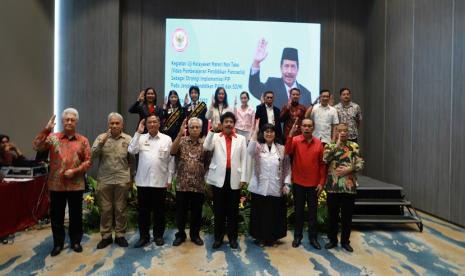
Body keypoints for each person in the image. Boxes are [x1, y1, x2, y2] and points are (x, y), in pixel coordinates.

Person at [32, 108, 91, 257]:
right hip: (56, 184)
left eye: (72, 119)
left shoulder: (83, 140)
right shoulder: (53, 138)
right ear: (63, 121)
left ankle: (76, 241)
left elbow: (88, 161)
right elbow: (36, 146)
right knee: (56, 216)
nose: (69, 122)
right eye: (67, 119)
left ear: (76, 122)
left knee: (76, 215)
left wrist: (75, 171)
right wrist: (46, 129)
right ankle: (58, 243)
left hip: (76, 184)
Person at [127, 114, 174, 247]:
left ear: (159, 124)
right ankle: (144, 237)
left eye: (155, 122)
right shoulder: (141, 138)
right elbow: (131, 150)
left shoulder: (167, 139)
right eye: (149, 122)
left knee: (159, 212)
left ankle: (158, 236)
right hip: (143, 182)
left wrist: (170, 179)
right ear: (146, 125)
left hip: (160, 182)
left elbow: (171, 161)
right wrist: (137, 132)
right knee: (143, 212)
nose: (152, 124)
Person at [203, 112, 247, 249]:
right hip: (218, 178)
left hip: (234, 177)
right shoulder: (215, 137)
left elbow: (244, 159)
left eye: (231, 122)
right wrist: (211, 131)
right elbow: (206, 147)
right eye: (226, 122)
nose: (229, 124)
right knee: (219, 210)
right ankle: (218, 238)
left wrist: (244, 177)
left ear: (234, 124)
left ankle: (233, 238)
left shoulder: (241, 139)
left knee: (233, 211)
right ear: (221, 124)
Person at [91, 112, 133, 249]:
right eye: (112, 123)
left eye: (117, 123)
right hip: (105, 179)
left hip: (122, 179)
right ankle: (106, 236)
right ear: (108, 124)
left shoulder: (128, 139)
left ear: (122, 125)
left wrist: (131, 177)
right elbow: (92, 155)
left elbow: (132, 161)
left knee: (121, 208)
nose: (114, 125)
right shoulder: (100, 138)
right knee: (106, 209)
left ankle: (120, 235)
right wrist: (102, 142)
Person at [247, 122, 291, 246]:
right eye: (266, 131)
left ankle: (272, 238)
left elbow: (287, 167)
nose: (269, 133)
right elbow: (249, 151)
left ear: (275, 133)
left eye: (271, 131)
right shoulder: (258, 147)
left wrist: (287, 184)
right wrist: (255, 131)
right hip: (259, 186)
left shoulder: (281, 148)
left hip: (276, 186)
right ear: (263, 133)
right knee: (260, 213)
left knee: (274, 213)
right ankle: (260, 238)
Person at [285, 118, 326, 249]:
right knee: (298, 212)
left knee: (313, 213)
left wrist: (321, 182)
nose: (307, 128)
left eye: (309, 126)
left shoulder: (319, 143)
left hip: (314, 184)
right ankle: (298, 237)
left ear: (313, 128)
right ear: (301, 127)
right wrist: (290, 135)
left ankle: (313, 238)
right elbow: (287, 152)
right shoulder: (296, 140)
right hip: (298, 182)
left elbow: (322, 165)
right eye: (304, 126)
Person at [323, 123, 364, 252]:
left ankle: (345, 241)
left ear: (348, 132)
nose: (343, 133)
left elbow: (361, 163)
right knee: (332, 216)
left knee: (347, 216)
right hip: (333, 187)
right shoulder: (330, 146)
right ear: (336, 132)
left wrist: (349, 169)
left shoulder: (354, 146)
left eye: (345, 130)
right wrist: (336, 145)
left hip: (348, 187)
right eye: (340, 130)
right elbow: (325, 159)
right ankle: (332, 240)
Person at [170, 118, 208, 246]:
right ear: (188, 128)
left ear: (201, 129)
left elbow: (207, 162)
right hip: (182, 184)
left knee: (196, 213)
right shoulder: (181, 141)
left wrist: (199, 171)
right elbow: (172, 151)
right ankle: (180, 235)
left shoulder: (205, 144)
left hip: (198, 185)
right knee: (181, 212)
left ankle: (195, 235)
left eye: (197, 127)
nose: (195, 129)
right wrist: (180, 134)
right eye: (192, 127)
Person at [249, 39, 312, 108]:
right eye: (286, 66)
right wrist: (256, 62)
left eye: (293, 66)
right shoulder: (272, 84)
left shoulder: (306, 94)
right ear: (281, 68)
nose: (289, 71)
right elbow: (255, 88)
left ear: (298, 69)